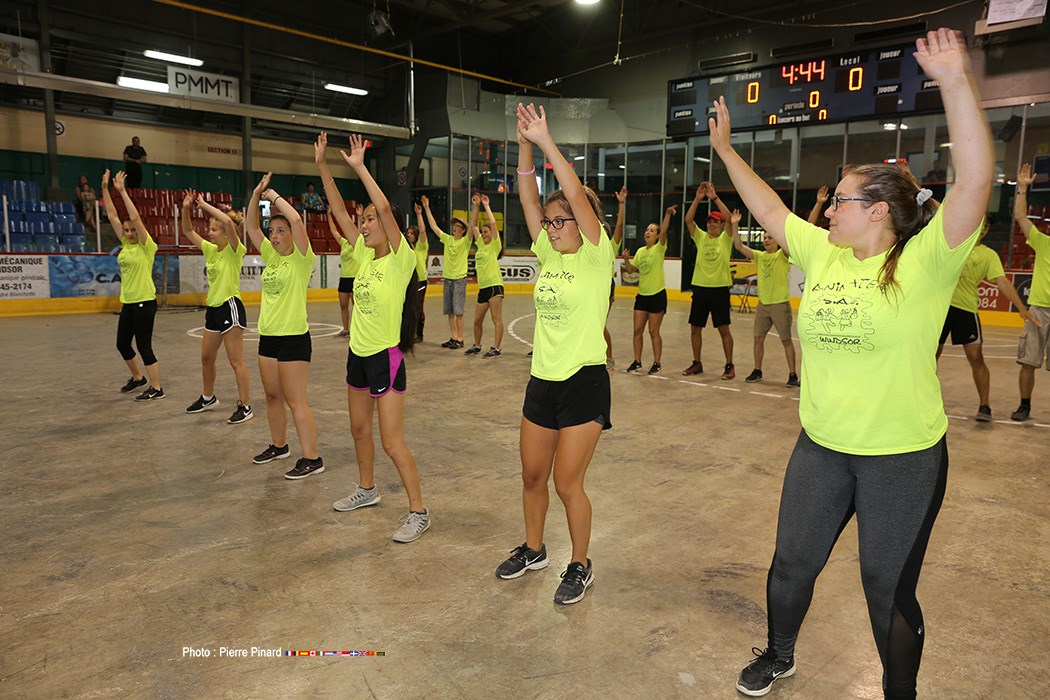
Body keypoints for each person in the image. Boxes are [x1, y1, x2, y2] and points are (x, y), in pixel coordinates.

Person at [711, 29, 994, 699]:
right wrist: (724, 150)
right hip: (823, 447)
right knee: (791, 566)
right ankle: (780, 654)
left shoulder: (925, 263)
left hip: (903, 456)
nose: (828, 207)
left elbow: (975, 180)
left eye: (839, 199)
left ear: (874, 213)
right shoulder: (828, 254)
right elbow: (769, 208)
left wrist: (954, 80)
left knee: (884, 588)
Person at [495, 102, 613, 605]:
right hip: (541, 380)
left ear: (581, 222)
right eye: (548, 223)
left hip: (584, 381)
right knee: (532, 476)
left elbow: (569, 194)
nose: (550, 226)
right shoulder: (548, 251)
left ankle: (580, 563)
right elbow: (529, 198)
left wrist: (547, 143)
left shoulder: (594, 253)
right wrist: (523, 148)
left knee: (568, 484)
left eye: (559, 221)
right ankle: (534, 547)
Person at [317, 132, 430, 543]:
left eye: (369, 220)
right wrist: (323, 169)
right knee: (358, 431)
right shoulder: (363, 254)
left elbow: (383, 205)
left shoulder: (400, 258)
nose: (363, 225)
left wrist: (361, 168)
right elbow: (338, 212)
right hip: (358, 354)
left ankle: (419, 510)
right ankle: (367, 490)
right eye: (362, 220)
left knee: (392, 442)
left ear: (388, 226)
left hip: (386, 356)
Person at [244, 173, 323, 480]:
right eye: (272, 230)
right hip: (269, 338)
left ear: (291, 235)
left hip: (293, 339)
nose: (273, 235)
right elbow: (251, 226)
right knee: (272, 396)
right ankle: (279, 446)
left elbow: (298, 222)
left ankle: (312, 458)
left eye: (280, 231)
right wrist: (256, 194)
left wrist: (273, 195)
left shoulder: (303, 258)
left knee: (295, 401)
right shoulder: (271, 256)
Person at [936, 219, 1037, 421]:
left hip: (966, 310)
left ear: (986, 230)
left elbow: (1002, 282)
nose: (978, 230)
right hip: (939, 310)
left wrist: (1021, 308)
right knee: (929, 358)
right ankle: (922, 401)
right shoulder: (950, 246)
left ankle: (984, 406)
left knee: (976, 357)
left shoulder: (989, 255)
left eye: (983, 227)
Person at [180, 191, 254, 424]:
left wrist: (204, 205)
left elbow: (229, 222)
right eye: (209, 230)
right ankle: (208, 397)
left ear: (223, 231)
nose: (209, 234)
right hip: (213, 309)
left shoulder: (235, 250)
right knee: (206, 358)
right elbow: (187, 231)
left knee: (236, 361)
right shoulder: (211, 250)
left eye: (213, 229)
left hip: (230, 306)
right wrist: (185, 209)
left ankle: (245, 406)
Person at [101, 169, 164, 401]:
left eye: (132, 230)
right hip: (128, 302)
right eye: (126, 231)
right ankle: (139, 378)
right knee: (122, 344)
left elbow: (135, 219)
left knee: (144, 346)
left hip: (144, 302)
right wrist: (104, 188)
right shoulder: (126, 245)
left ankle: (157, 388)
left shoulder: (147, 247)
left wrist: (122, 192)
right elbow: (111, 215)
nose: (128, 233)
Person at [730, 209, 800, 387]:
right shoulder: (760, 257)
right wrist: (735, 225)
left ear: (777, 241)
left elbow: (790, 243)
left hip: (779, 305)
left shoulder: (782, 255)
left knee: (786, 340)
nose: (766, 240)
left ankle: (793, 374)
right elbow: (738, 246)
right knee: (758, 339)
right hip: (763, 305)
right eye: (765, 237)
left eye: (770, 237)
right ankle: (757, 370)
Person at [682, 181, 735, 379]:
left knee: (723, 329)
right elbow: (688, 220)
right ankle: (697, 363)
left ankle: (729, 365)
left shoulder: (726, 238)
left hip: (720, 289)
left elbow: (729, 218)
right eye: (709, 221)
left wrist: (714, 198)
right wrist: (697, 200)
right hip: (700, 289)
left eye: (715, 222)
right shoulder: (701, 237)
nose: (711, 224)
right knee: (695, 328)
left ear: (721, 226)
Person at [1010, 162, 1050, 421]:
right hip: (1038, 310)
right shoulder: (1044, 243)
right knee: (1027, 361)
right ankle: (1024, 405)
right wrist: (1022, 189)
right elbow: (1021, 218)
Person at [622, 203, 674, 374]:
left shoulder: (659, 249)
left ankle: (657, 362)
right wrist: (627, 259)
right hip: (642, 296)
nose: (648, 232)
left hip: (657, 295)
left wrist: (667, 214)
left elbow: (665, 231)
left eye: (652, 230)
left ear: (658, 236)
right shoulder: (640, 251)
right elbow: (630, 271)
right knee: (637, 330)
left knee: (653, 331)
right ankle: (637, 361)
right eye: (647, 229)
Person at [421, 195, 469, 349]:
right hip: (448, 279)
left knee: (459, 311)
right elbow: (434, 227)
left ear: (463, 230)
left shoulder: (465, 242)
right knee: (450, 311)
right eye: (454, 225)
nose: (454, 227)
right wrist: (427, 207)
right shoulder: (448, 240)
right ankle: (454, 337)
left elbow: (473, 226)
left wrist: (474, 210)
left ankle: (460, 339)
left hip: (459, 279)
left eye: (458, 225)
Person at [463, 193, 505, 358]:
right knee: (476, 320)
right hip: (483, 288)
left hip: (494, 286)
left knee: (496, 319)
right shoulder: (481, 245)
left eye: (486, 231)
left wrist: (486, 206)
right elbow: (473, 226)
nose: (484, 234)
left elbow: (494, 224)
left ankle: (496, 348)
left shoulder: (495, 245)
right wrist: (475, 207)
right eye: (483, 232)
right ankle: (477, 345)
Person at [328, 204, 362, 338]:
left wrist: (359, 217)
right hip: (344, 278)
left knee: (357, 307)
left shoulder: (357, 243)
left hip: (355, 278)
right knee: (343, 305)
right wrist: (329, 215)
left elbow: (359, 233)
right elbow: (333, 231)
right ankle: (346, 329)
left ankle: (358, 329)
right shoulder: (343, 243)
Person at [604, 187, 627, 368]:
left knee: (599, 323)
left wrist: (621, 204)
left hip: (606, 287)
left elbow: (619, 226)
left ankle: (609, 356)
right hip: (591, 287)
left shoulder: (612, 246)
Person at [407, 203, 429, 342]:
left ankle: (419, 334)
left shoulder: (421, 247)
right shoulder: (405, 248)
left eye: (411, 233)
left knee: (418, 308)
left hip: (420, 281)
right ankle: (408, 334)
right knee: (408, 309)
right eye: (407, 233)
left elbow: (422, 231)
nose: (409, 235)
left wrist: (419, 214)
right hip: (408, 281)